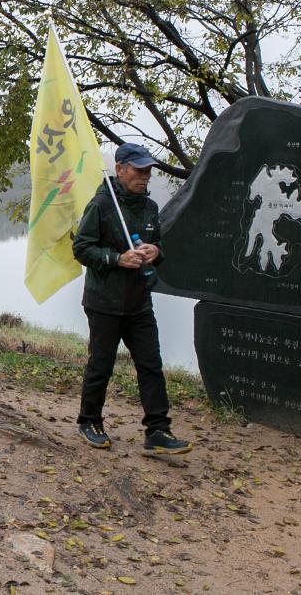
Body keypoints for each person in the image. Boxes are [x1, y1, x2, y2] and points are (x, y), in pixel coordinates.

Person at [71, 142, 193, 455]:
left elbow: (158, 246)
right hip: (104, 302)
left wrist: (156, 252)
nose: (145, 175)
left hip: (139, 302)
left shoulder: (150, 209)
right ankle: (90, 421)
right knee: (101, 365)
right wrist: (116, 259)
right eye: (139, 169)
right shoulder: (101, 205)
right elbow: (81, 248)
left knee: (151, 365)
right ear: (120, 169)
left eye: (148, 170)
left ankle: (158, 431)